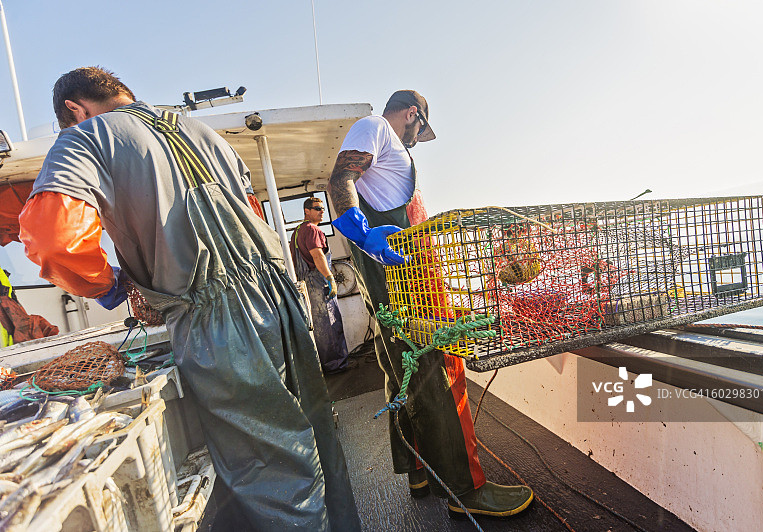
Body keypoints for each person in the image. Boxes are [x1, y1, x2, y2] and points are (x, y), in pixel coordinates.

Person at [18, 67, 360, 531]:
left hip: (216, 322)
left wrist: (114, 285)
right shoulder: (202, 130)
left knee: (273, 475)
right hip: (278, 299)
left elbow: (55, 240)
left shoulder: (87, 136)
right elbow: (250, 211)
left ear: (74, 110)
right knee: (313, 437)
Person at [328, 90, 534, 518]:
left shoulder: (389, 155)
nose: (418, 139)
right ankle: (466, 490)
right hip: (404, 278)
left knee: (403, 367)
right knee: (436, 364)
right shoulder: (377, 128)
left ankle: (419, 469)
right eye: (419, 129)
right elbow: (340, 178)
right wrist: (361, 231)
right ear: (412, 115)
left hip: (401, 273)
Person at [290, 197, 349, 373]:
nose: (321, 211)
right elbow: (317, 256)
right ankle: (336, 365)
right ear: (306, 211)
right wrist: (330, 278)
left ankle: (327, 364)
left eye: (323, 209)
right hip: (319, 282)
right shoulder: (312, 229)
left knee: (319, 325)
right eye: (317, 208)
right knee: (330, 323)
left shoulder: (297, 231)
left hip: (306, 284)